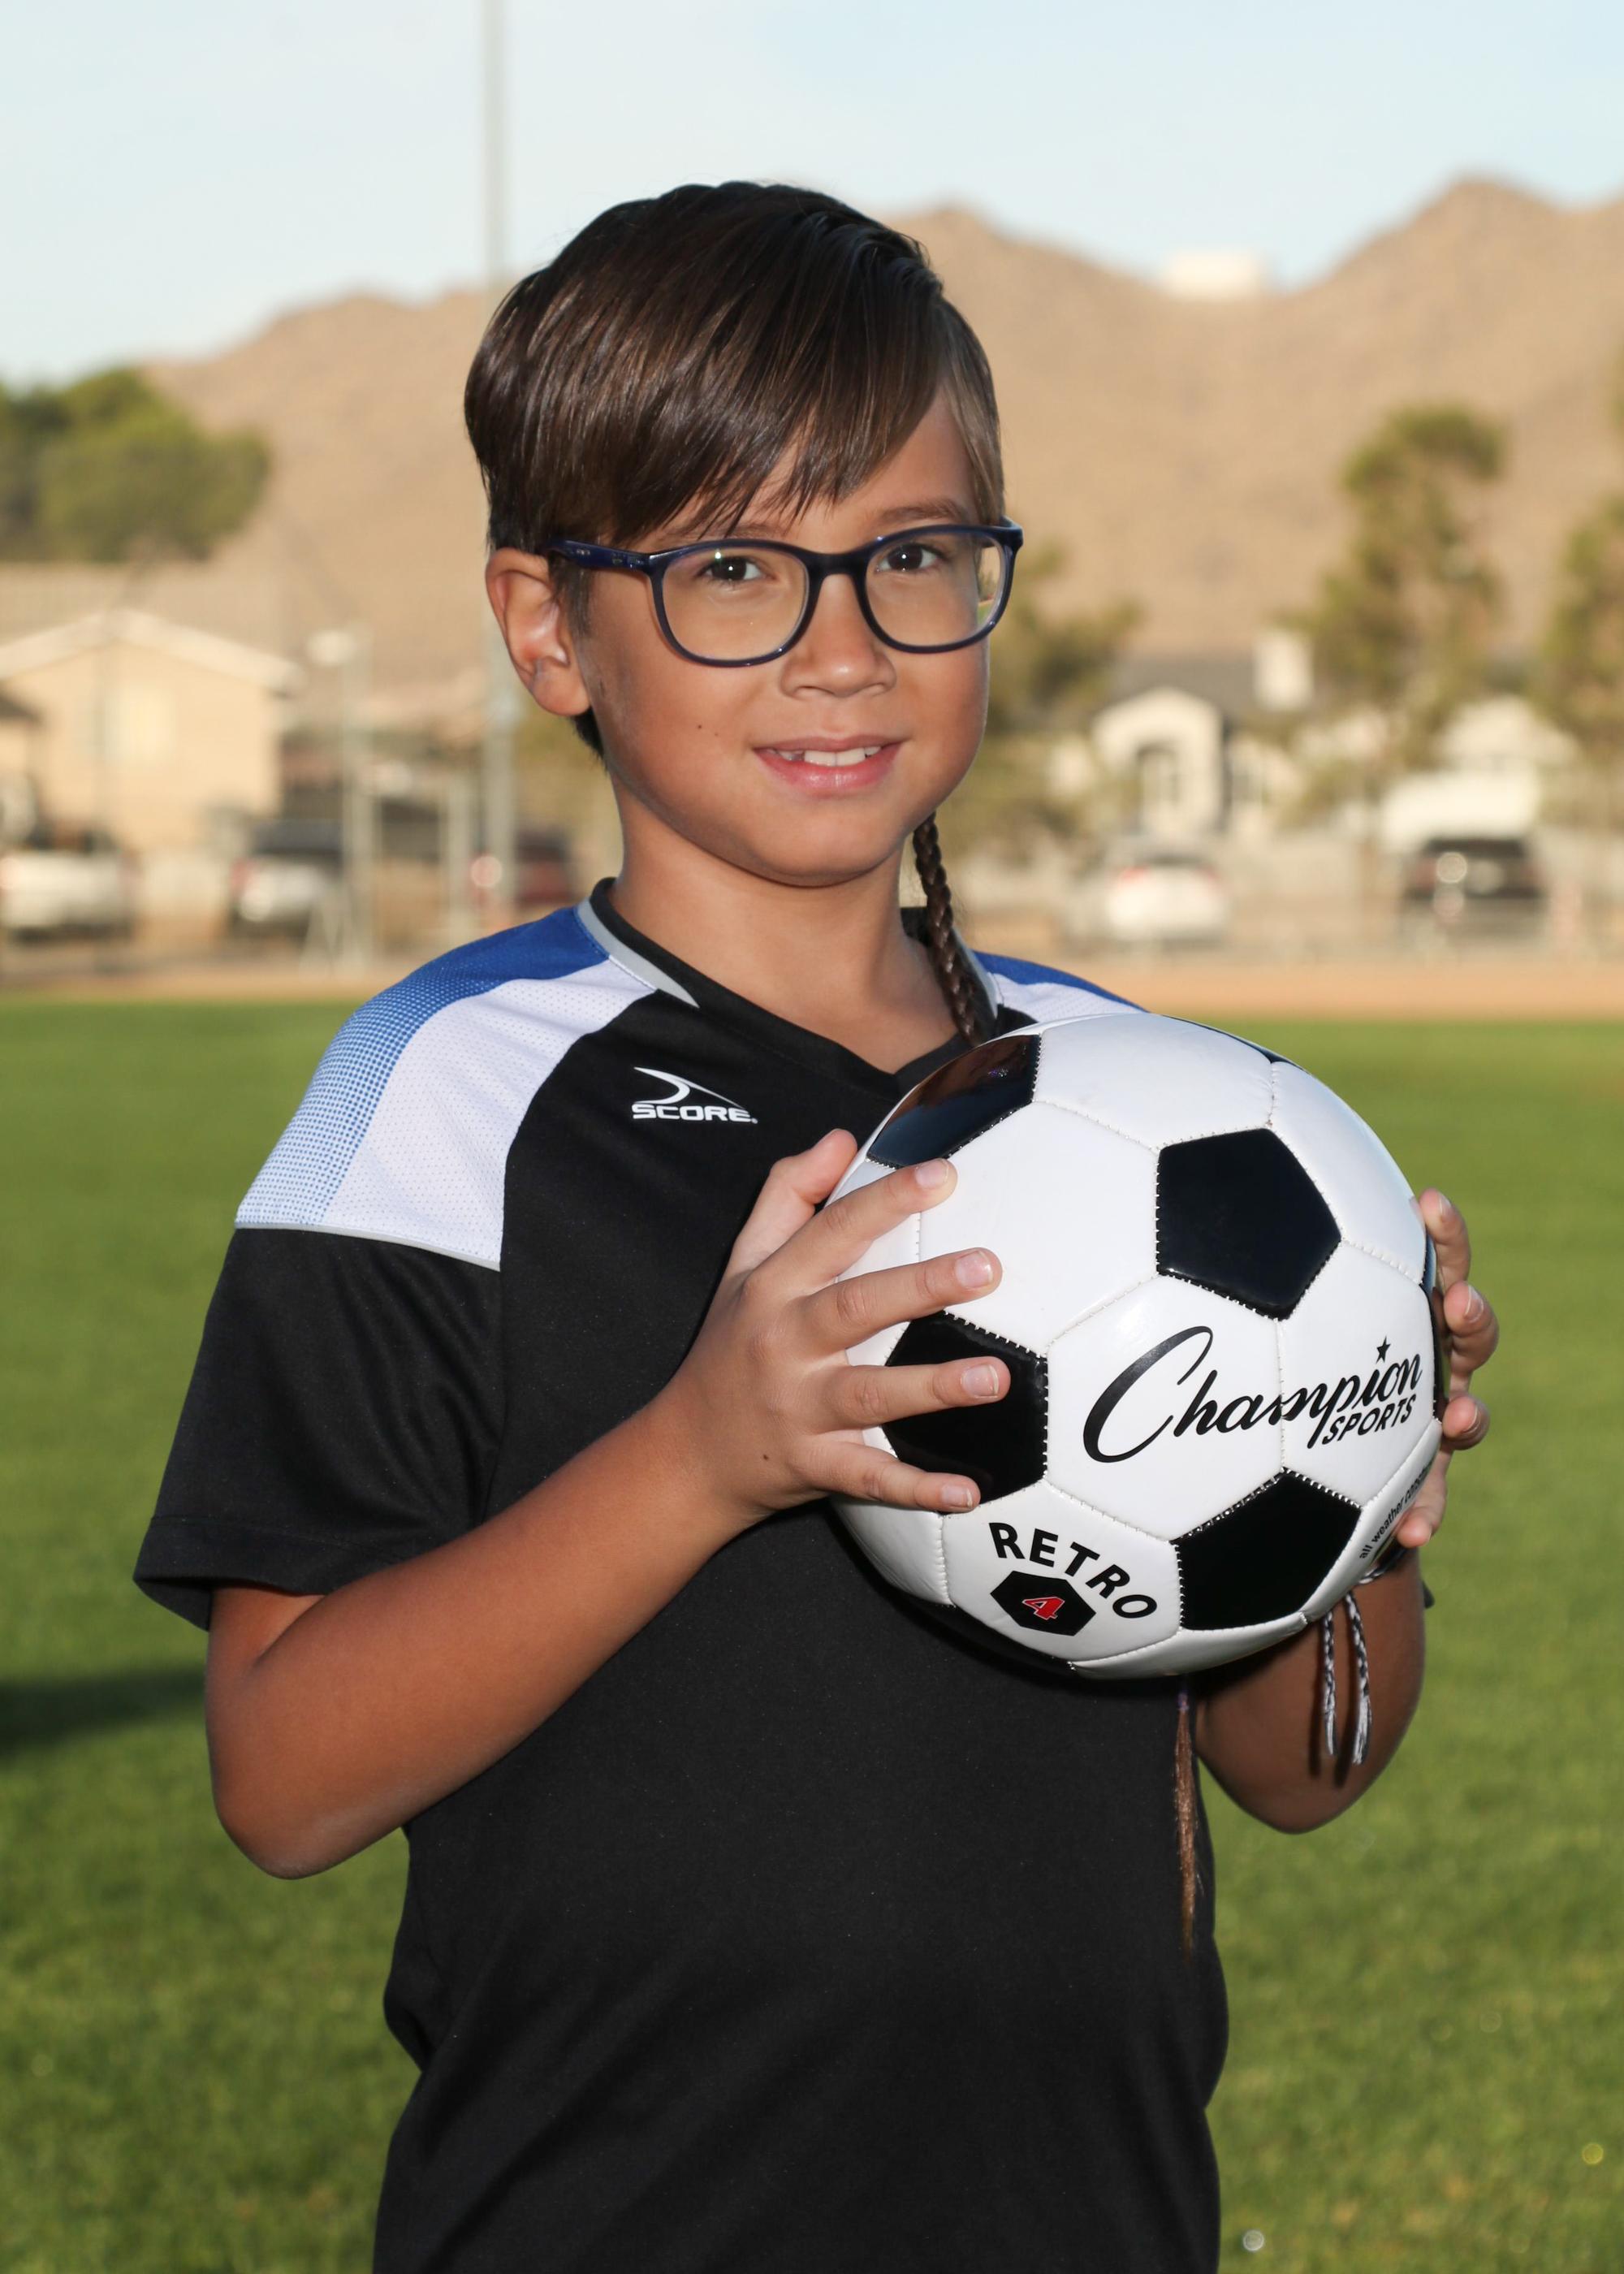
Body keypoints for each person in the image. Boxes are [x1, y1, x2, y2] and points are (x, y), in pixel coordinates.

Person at [135, 184, 1498, 2274]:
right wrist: (703, 1455)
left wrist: (1348, 1464)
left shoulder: (1143, 1090)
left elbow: (1302, 1772)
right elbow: (285, 1778)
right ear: (546, 624)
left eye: (914, 555)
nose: (842, 645)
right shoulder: (439, 1093)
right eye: (734, 570)